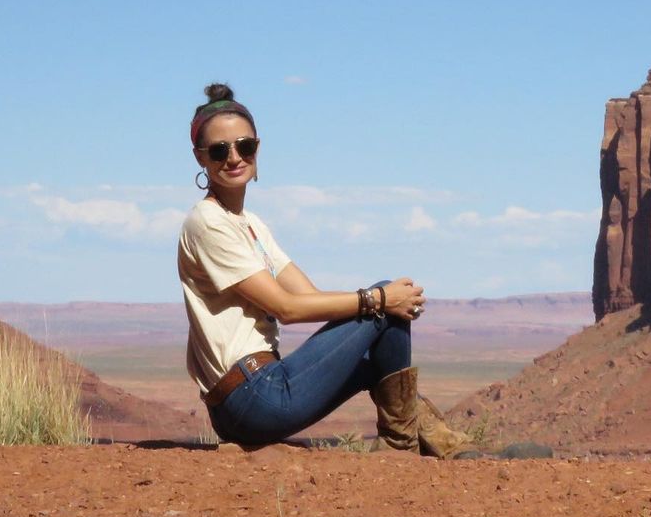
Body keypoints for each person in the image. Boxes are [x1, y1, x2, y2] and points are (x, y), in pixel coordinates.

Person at [177, 82, 476, 457]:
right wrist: (381, 298)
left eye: (245, 146)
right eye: (220, 150)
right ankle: (406, 441)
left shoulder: (249, 224)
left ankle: (420, 440)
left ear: (258, 149)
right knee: (382, 301)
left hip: (260, 391)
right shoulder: (207, 222)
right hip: (252, 396)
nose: (234, 157)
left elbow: (309, 297)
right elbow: (288, 310)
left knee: (376, 352)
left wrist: (378, 306)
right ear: (200, 158)